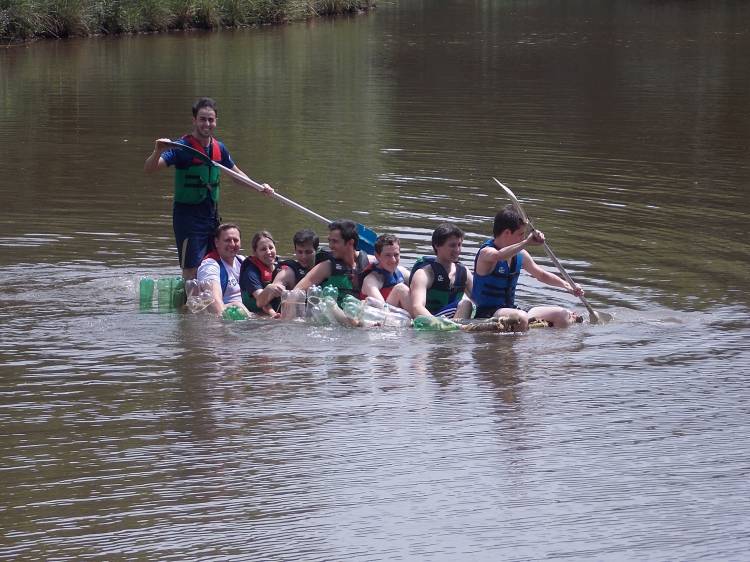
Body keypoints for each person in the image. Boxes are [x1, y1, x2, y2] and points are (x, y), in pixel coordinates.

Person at [144, 96, 273, 280]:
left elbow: (237, 176)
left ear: (216, 121)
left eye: (210, 120)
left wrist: (259, 187)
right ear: (194, 120)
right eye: (202, 119)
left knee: (217, 262)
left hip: (211, 217)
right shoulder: (182, 148)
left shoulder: (220, 148)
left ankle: (215, 295)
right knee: (192, 269)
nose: (207, 124)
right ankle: (188, 298)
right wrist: (158, 150)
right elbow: (150, 169)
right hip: (188, 218)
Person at [472, 205, 584, 329]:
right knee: (520, 318)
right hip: (487, 313)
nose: (523, 238)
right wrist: (526, 242)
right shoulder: (486, 253)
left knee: (563, 315)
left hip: (512, 310)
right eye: (521, 234)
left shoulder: (521, 255)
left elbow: (541, 275)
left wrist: (568, 286)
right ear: (507, 233)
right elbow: (499, 255)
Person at [294, 219, 374, 305]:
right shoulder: (325, 267)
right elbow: (296, 293)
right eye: (329, 241)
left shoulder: (370, 262)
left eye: (335, 241)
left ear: (350, 243)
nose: (330, 246)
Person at [409, 223, 474, 319]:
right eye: (452, 245)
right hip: (431, 319)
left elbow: (479, 300)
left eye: (459, 245)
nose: (457, 250)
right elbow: (417, 307)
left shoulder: (464, 272)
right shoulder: (424, 274)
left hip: (453, 320)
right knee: (466, 304)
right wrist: (439, 324)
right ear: (437, 246)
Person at [196, 223, 250, 317]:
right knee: (238, 306)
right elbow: (214, 301)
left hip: (247, 312)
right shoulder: (209, 266)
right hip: (229, 314)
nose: (232, 244)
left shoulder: (242, 261)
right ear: (217, 242)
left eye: (236, 240)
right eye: (227, 240)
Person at [359, 234, 412, 313]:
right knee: (400, 289)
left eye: (396, 255)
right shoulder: (370, 281)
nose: (393, 260)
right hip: (382, 316)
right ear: (377, 256)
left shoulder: (401, 272)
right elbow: (382, 309)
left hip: (400, 315)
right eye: (388, 255)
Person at [239, 231, 283, 317]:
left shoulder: (281, 267)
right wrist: (273, 314)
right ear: (255, 252)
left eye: (271, 247)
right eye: (263, 249)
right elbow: (261, 299)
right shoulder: (250, 273)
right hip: (258, 313)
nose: (269, 252)